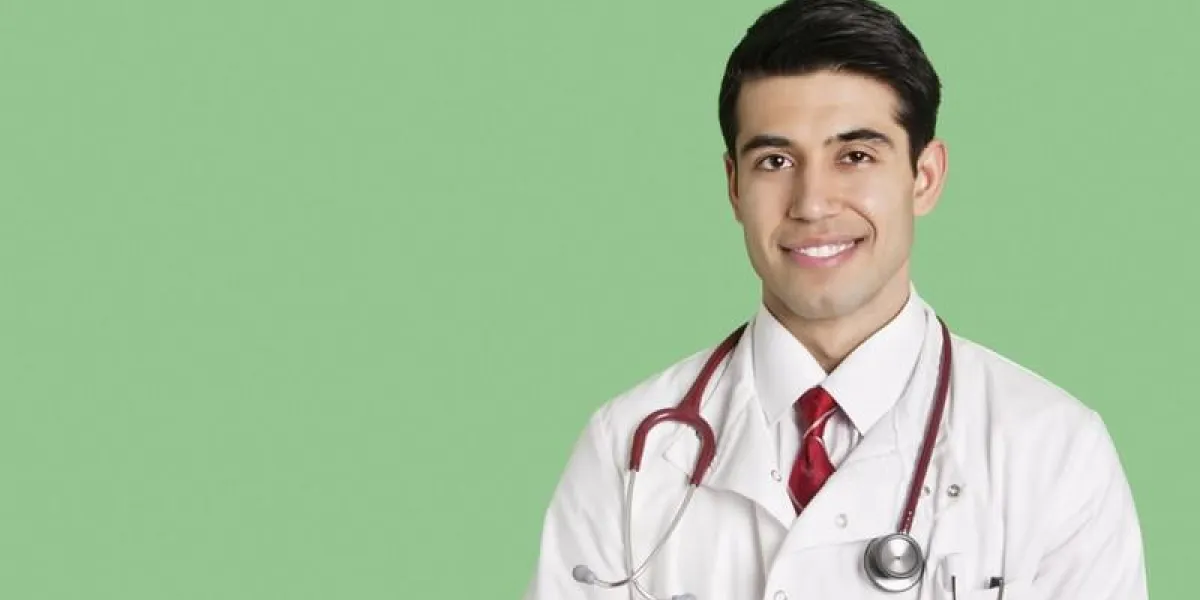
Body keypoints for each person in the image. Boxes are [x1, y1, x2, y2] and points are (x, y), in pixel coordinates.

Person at [521, 0, 1149, 598]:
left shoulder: (1053, 451)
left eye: (855, 155)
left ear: (924, 176)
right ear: (734, 186)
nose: (812, 203)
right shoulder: (629, 450)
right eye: (775, 161)